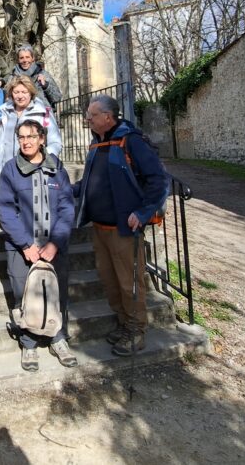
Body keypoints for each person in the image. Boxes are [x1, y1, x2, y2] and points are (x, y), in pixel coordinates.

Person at [74, 95, 169, 356]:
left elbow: (158, 179)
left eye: (92, 115)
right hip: (100, 227)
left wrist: (144, 211)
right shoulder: (97, 143)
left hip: (123, 229)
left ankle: (137, 330)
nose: (88, 119)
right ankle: (123, 323)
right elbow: (89, 182)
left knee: (129, 282)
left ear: (108, 117)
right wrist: (69, 190)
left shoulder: (131, 141)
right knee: (110, 280)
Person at [0, 120, 77, 371]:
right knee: (24, 294)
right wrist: (25, 244)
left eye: (31, 136)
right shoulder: (10, 170)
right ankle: (29, 343)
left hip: (54, 245)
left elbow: (66, 208)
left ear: (42, 138)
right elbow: (6, 211)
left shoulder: (57, 168)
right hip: (22, 247)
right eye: (21, 137)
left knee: (58, 292)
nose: (26, 141)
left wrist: (55, 242)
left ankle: (58, 337)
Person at [0, 75, 63, 188]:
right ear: (11, 93)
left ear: (31, 93)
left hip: (34, 174)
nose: (20, 96)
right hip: (8, 174)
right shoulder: (4, 114)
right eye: (16, 92)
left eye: (24, 92)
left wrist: (41, 161)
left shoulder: (44, 113)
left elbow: (55, 143)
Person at [8, 44, 62, 109]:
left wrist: (46, 85)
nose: (25, 60)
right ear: (18, 60)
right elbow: (8, 100)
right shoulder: (13, 77)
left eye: (27, 57)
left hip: (42, 115)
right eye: (21, 58)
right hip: (20, 115)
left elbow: (57, 98)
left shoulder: (43, 74)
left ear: (32, 58)